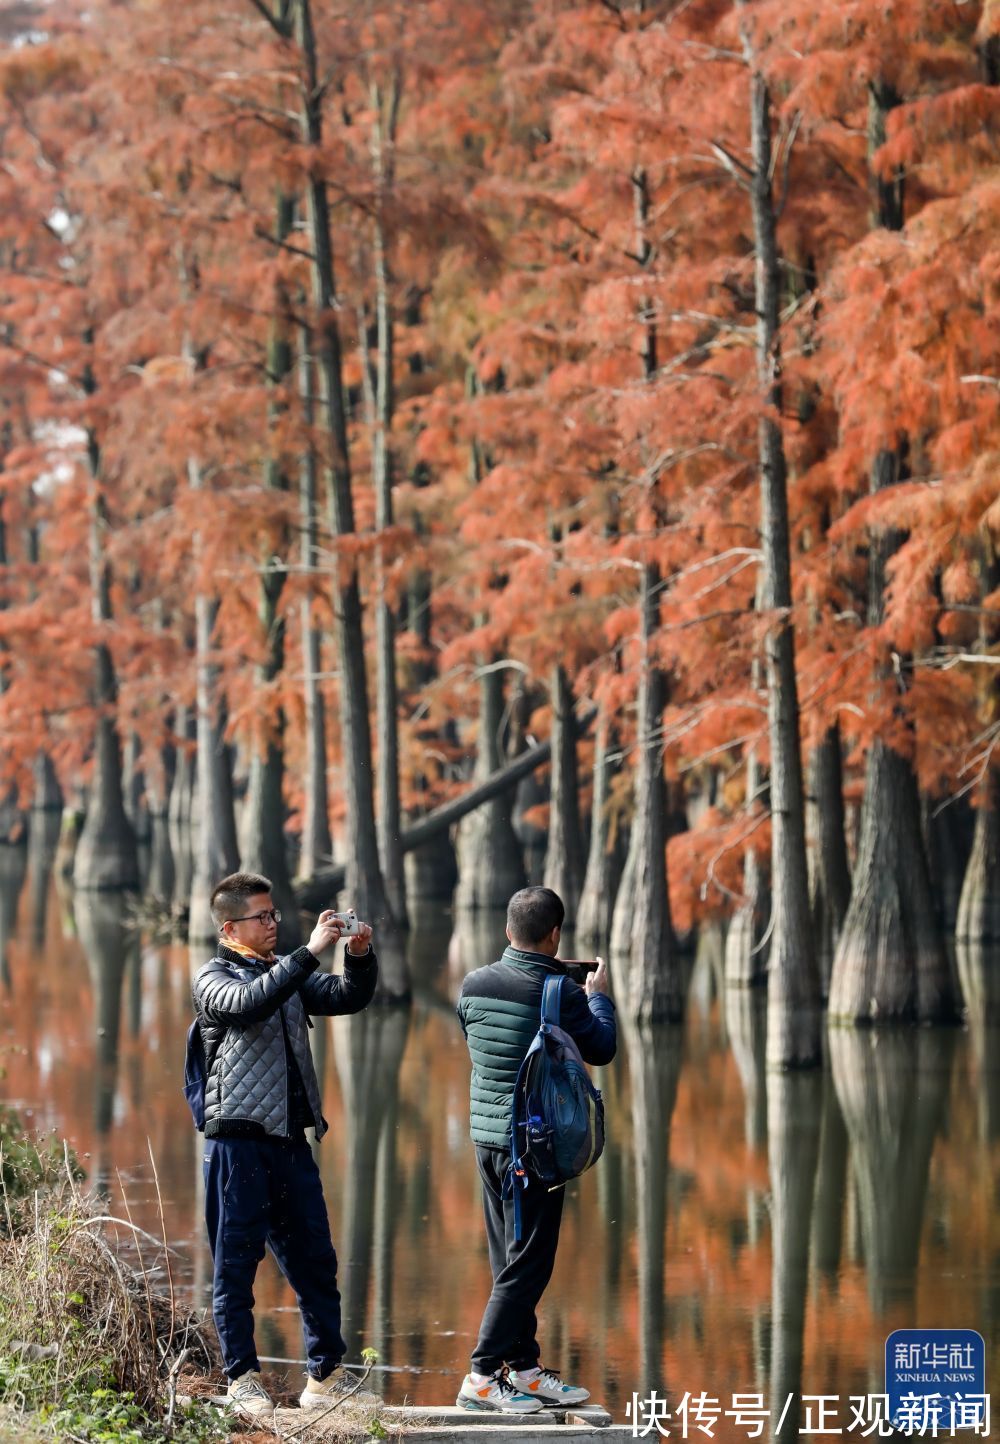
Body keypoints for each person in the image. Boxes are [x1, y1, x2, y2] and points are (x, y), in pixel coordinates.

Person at [191, 871, 377, 1420]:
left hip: (291, 1143)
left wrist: (358, 957)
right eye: (263, 917)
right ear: (231, 927)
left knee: (316, 1262)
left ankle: (325, 1376)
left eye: (276, 915)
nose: (273, 923)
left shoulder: (283, 971)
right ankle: (242, 1379)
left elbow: (346, 997)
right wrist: (307, 953)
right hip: (237, 1145)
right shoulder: (211, 977)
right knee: (235, 1268)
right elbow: (248, 1004)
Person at [455, 885, 617, 1414]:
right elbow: (602, 1047)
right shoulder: (560, 992)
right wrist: (597, 996)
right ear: (555, 936)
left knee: (508, 1258)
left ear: (508, 931)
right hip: (534, 1148)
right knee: (528, 1265)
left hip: (486, 1141)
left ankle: (523, 1369)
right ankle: (481, 1375)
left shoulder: (473, 984)